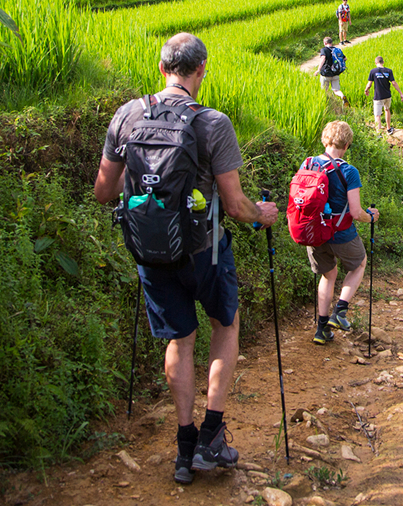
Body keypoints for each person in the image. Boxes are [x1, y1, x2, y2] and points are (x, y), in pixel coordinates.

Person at [93, 33, 279, 486]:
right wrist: (263, 216)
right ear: (201, 71)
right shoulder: (213, 122)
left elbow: (103, 191)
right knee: (225, 325)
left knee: (179, 340)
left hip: (150, 253)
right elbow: (236, 206)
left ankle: (183, 445)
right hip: (204, 250)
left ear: (162, 70)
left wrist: (149, 206)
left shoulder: (128, 114)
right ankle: (210, 437)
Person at [306, 120, 379, 345]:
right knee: (359, 264)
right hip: (340, 232)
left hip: (314, 231)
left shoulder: (308, 164)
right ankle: (340, 312)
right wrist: (371, 216)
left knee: (328, 275)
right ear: (347, 145)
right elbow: (356, 212)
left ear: (324, 140)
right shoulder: (349, 171)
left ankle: (321, 329)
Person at [364, 55, 403, 133]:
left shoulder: (373, 71)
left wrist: (366, 90)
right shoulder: (389, 71)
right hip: (387, 96)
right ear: (383, 62)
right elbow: (394, 83)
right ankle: (389, 128)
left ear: (375, 62)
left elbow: (369, 84)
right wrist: (401, 93)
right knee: (387, 110)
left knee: (377, 115)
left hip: (378, 97)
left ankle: (378, 134)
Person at [317, 36, 346, 103]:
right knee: (336, 90)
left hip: (326, 73)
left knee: (324, 90)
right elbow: (345, 58)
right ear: (331, 42)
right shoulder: (337, 50)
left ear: (325, 43)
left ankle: (325, 102)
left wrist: (318, 69)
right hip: (336, 73)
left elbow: (323, 58)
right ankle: (342, 96)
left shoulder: (324, 50)